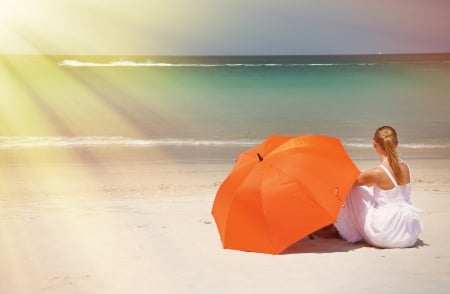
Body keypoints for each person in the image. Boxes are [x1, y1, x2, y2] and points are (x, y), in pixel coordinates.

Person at [334, 125, 423, 248]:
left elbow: (348, 182)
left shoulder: (377, 172)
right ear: (396, 144)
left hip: (385, 233)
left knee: (354, 190)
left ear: (374, 144)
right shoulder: (405, 167)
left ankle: (348, 231)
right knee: (365, 189)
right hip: (408, 234)